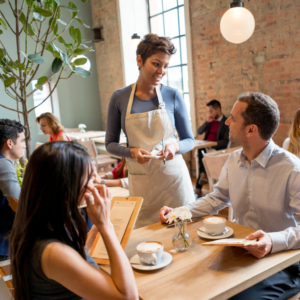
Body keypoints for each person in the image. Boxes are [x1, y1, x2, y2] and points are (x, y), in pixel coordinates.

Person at [159, 92, 300, 299]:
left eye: (233, 118)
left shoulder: (292, 169)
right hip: (241, 253)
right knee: (188, 285)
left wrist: (272, 240)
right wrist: (180, 212)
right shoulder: (234, 160)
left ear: (251, 129)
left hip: (283, 262)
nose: (227, 121)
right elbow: (217, 198)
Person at [10, 141, 138, 300]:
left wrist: (96, 230)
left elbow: (76, 255)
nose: (96, 182)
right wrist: (106, 225)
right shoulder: (52, 252)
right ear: (66, 186)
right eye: (90, 177)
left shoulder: (36, 225)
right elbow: (128, 297)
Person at [105, 33, 195, 228]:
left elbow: (189, 140)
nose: (161, 71)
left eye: (165, 66)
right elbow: (110, 144)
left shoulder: (172, 95)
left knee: (182, 239)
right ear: (139, 60)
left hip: (175, 185)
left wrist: (175, 146)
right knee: (146, 244)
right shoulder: (119, 98)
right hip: (142, 185)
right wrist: (131, 152)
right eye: (156, 64)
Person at [0, 119, 25, 261]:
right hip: (3, 241)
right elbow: (16, 202)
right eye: (22, 141)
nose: (24, 146)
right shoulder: (3, 163)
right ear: (10, 143)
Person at [196, 100, 229, 196]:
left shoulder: (225, 122)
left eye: (211, 111)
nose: (209, 113)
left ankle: (199, 185)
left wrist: (212, 144)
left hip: (215, 149)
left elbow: (225, 141)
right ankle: (203, 175)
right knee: (200, 149)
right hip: (205, 148)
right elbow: (199, 131)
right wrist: (206, 122)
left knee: (201, 152)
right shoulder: (210, 120)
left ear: (218, 109)